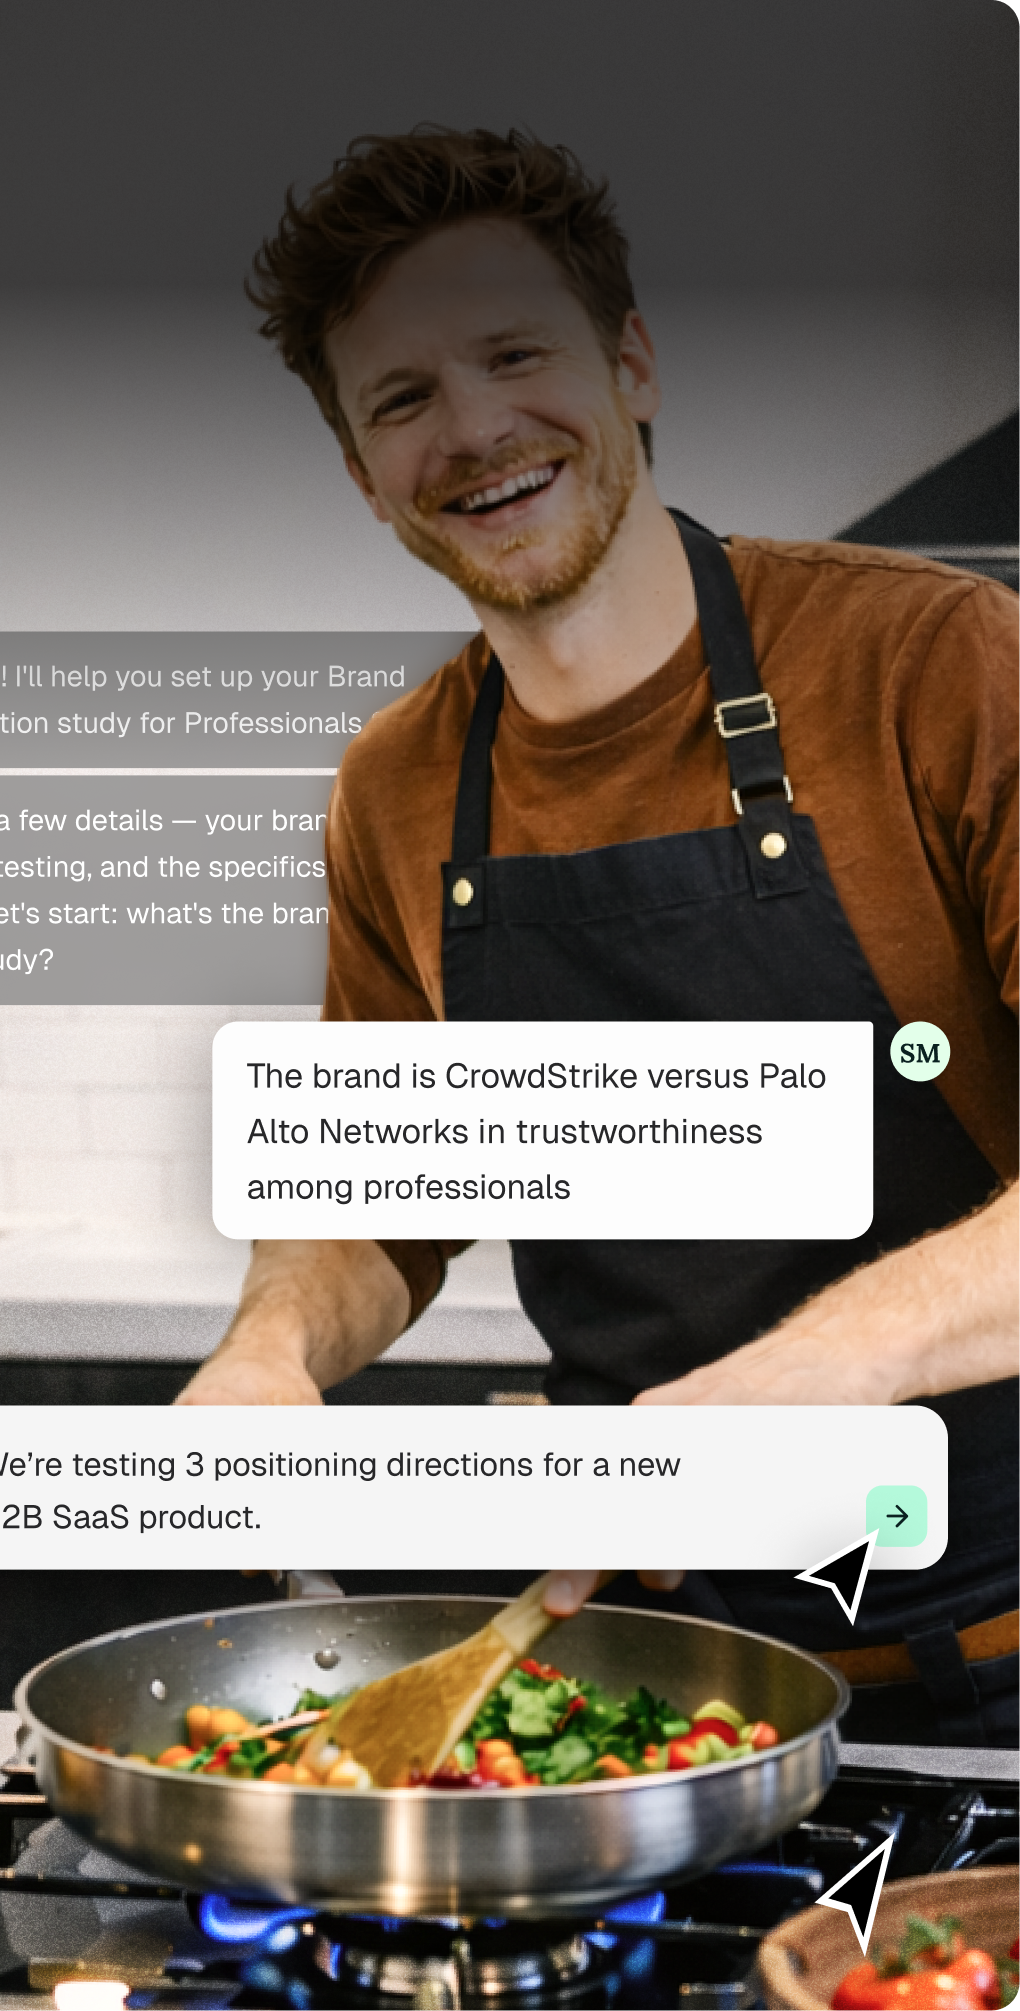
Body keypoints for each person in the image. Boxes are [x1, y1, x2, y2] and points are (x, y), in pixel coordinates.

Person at [176, 128, 1020, 1745]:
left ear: (629, 361)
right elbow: (376, 1206)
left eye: (514, 354)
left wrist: (799, 1377)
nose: (475, 428)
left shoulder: (941, 668)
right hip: (666, 1696)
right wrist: (273, 1349)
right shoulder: (399, 788)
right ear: (362, 471)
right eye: (402, 398)